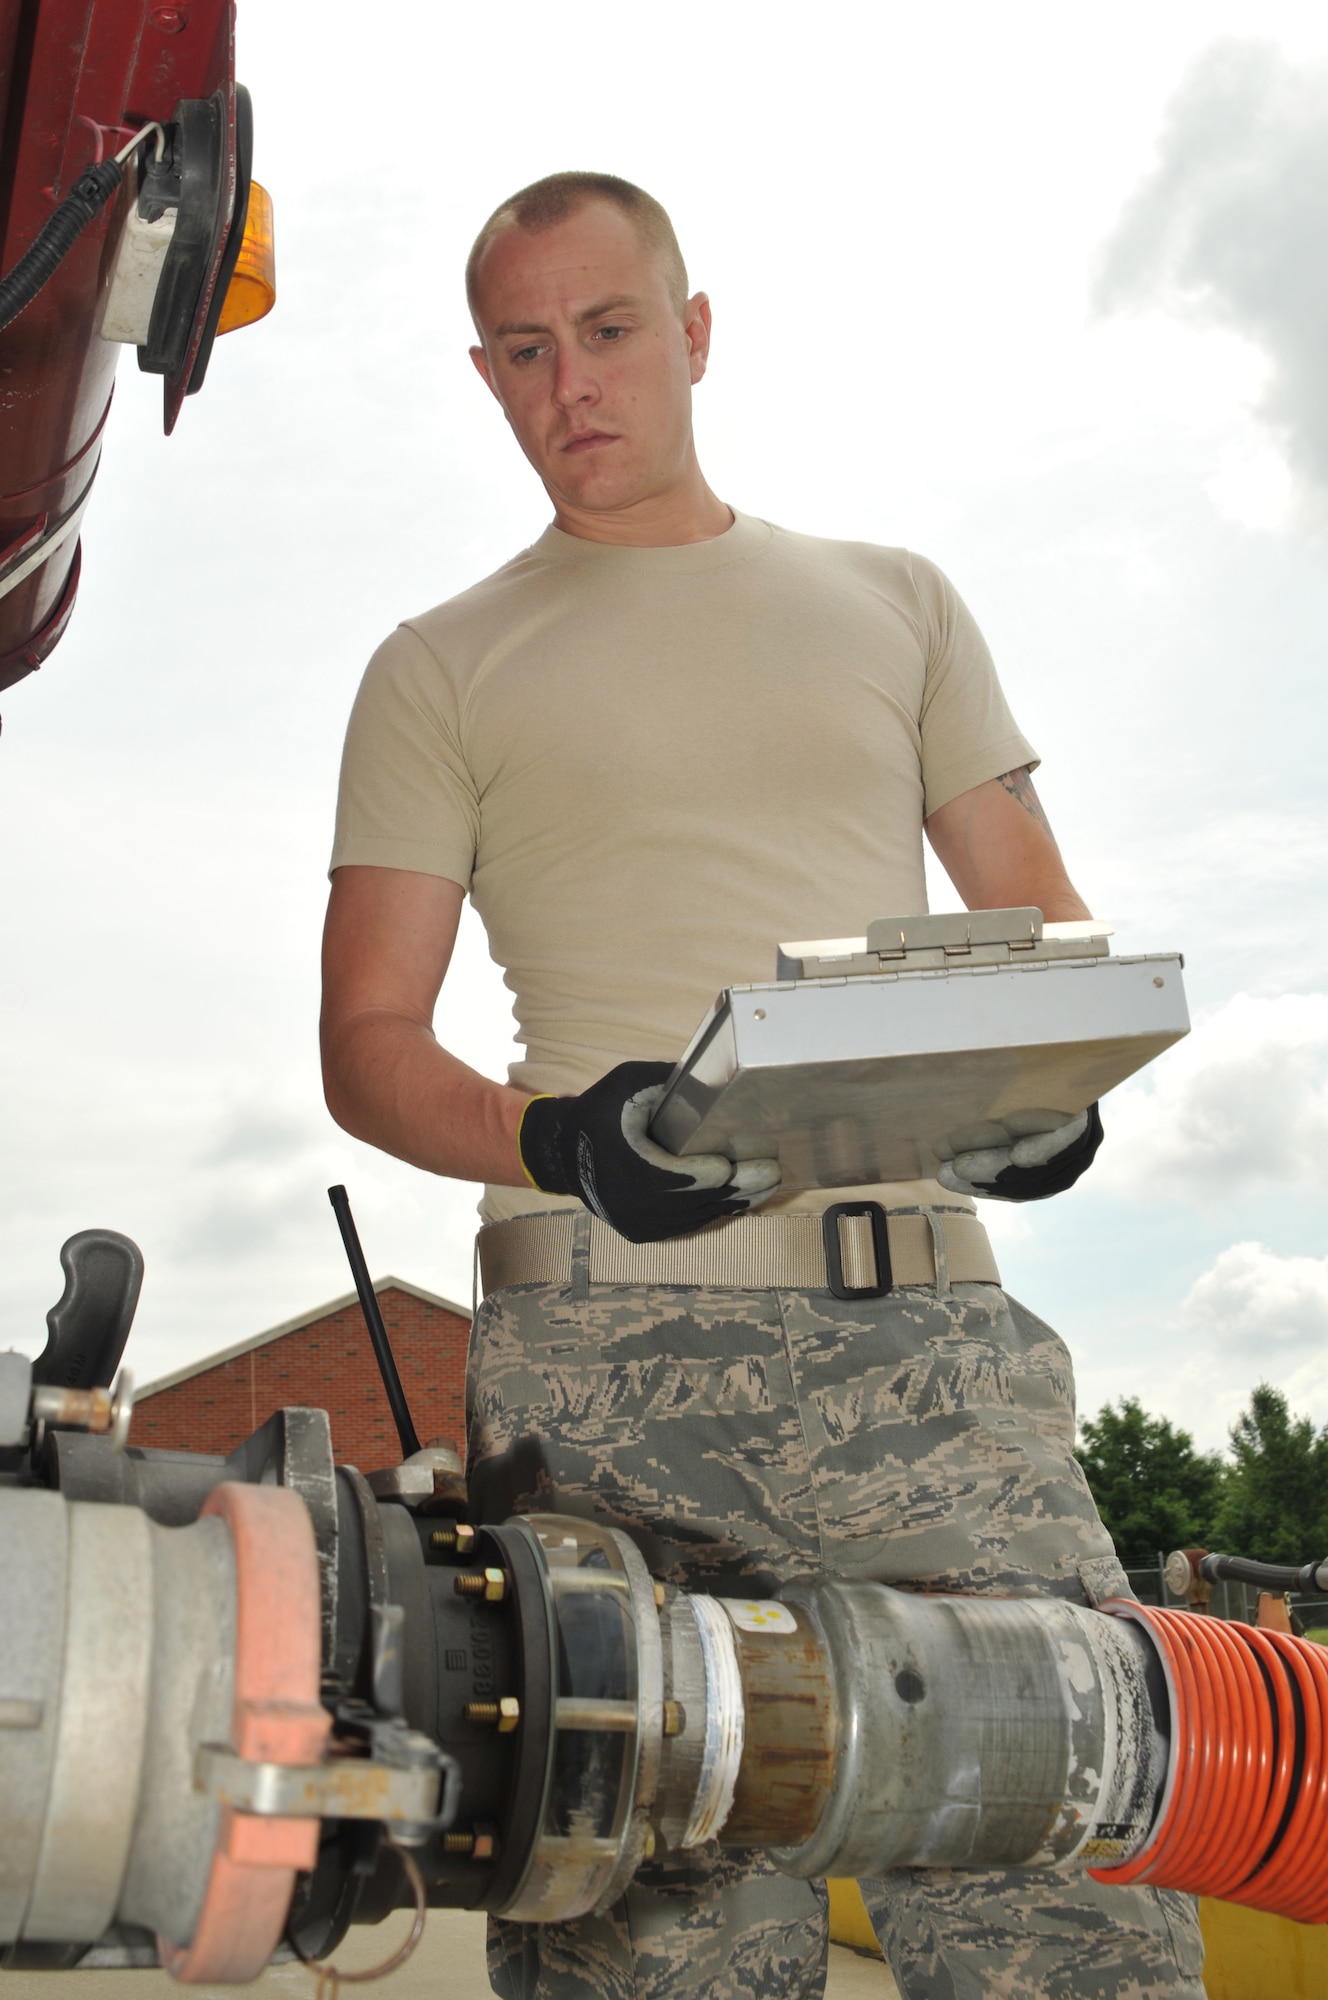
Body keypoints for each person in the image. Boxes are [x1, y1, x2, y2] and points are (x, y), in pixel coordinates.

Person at [321, 172, 1204, 2000]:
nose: (571, 382)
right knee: (659, 1966)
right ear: (484, 376)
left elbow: (1043, 936)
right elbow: (368, 1050)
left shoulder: (898, 602)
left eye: (611, 330)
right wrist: (562, 1141)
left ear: (698, 332)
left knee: (1080, 1923)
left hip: (936, 1369)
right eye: (523, 350)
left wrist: (1043, 1103)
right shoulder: (436, 667)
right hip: (607, 1384)